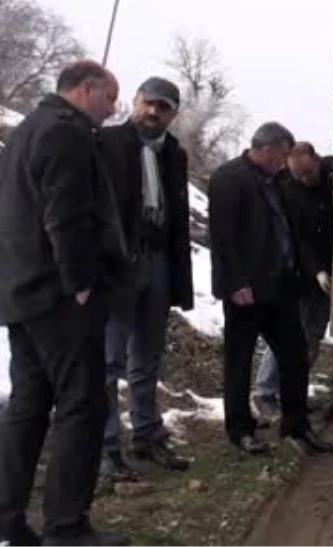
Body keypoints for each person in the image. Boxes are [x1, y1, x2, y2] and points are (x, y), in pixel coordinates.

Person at [0, 61, 132, 547]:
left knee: (29, 408)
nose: (112, 108)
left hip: (22, 294)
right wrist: (79, 283)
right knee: (83, 406)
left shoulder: (25, 131)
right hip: (59, 298)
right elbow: (66, 215)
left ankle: (9, 522)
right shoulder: (66, 134)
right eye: (109, 97)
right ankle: (66, 528)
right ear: (85, 89)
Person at [207, 122, 333, 456]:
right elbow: (221, 238)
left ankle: (297, 426)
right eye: (281, 155)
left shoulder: (277, 181)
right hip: (245, 291)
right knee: (239, 361)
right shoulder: (228, 178)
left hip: (280, 289)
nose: (284, 162)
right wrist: (235, 284)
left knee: (295, 357)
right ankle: (240, 431)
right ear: (266, 149)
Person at [96, 77, 194, 482]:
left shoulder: (175, 153)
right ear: (134, 102)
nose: (154, 112)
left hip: (158, 262)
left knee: (148, 356)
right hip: (118, 264)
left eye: (164, 107)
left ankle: (147, 435)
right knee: (109, 360)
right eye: (148, 103)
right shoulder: (104, 142)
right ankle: (105, 447)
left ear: (172, 114)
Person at [252, 143, 333, 420]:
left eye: (306, 173)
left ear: (315, 160)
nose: (303, 179)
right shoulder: (290, 190)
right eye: (297, 174)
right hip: (300, 273)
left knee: (312, 337)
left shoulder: (332, 174)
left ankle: (294, 393)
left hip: (329, 275)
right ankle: (264, 393)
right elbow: (298, 239)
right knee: (288, 336)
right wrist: (317, 270)